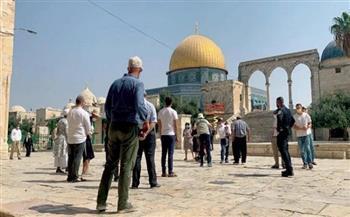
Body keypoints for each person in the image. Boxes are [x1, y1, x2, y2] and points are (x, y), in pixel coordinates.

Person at [96, 56, 149, 213]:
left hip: (113, 127)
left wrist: (113, 121)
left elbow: (107, 107)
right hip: (129, 127)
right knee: (126, 166)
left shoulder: (115, 83)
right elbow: (140, 105)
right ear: (139, 70)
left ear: (128, 68)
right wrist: (145, 120)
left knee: (110, 165)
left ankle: (101, 202)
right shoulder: (138, 84)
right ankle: (123, 203)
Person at [132, 93, 160, 189]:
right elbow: (153, 122)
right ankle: (153, 182)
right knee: (150, 158)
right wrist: (146, 133)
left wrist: (140, 133)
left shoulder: (134, 106)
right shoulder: (150, 106)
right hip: (149, 134)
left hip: (137, 134)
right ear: (146, 96)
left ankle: (135, 183)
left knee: (136, 158)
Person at [66, 96, 91, 183]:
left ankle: (70, 176)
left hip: (71, 137)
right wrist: (88, 134)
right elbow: (88, 126)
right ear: (82, 102)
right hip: (80, 138)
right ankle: (75, 176)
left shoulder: (70, 112)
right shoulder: (84, 113)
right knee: (77, 157)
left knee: (71, 157)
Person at [158, 96, 178, 177]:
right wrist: (176, 135)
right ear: (171, 103)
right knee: (170, 153)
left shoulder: (160, 112)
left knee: (163, 153)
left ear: (165, 102)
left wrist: (160, 133)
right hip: (171, 134)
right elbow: (175, 125)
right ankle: (170, 171)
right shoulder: (173, 112)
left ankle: (163, 171)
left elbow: (159, 124)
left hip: (163, 134)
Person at [275, 97, 295, 177]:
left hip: (282, 133)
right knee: (286, 151)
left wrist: (280, 128)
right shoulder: (288, 110)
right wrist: (288, 127)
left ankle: (289, 170)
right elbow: (293, 121)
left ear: (278, 102)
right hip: (286, 133)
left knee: (283, 151)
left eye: (277, 102)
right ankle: (289, 168)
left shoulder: (281, 111)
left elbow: (279, 119)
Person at [81, 109, 100, 181]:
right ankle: (84, 171)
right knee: (87, 155)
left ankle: (86, 170)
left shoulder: (91, 121)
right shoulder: (89, 120)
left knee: (89, 155)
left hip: (88, 138)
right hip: (86, 138)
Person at [293, 104, 313, 170]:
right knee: (302, 150)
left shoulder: (306, 115)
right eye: (297, 108)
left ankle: (309, 162)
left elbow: (310, 123)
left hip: (306, 134)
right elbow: (293, 125)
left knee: (307, 148)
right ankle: (305, 163)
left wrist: (307, 127)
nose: (298, 109)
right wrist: (297, 128)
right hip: (299, 135)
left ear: (301, 108)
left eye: (299, 108)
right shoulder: (294, 116)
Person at [53, 109, 69, 174]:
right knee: (64, 153)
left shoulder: (60, 121)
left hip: (59, 137)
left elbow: (57, 131)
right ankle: (65, 167)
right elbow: (66, 132)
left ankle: (58, 167)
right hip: (64, 139)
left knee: (58, 154)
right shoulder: (66, 122)